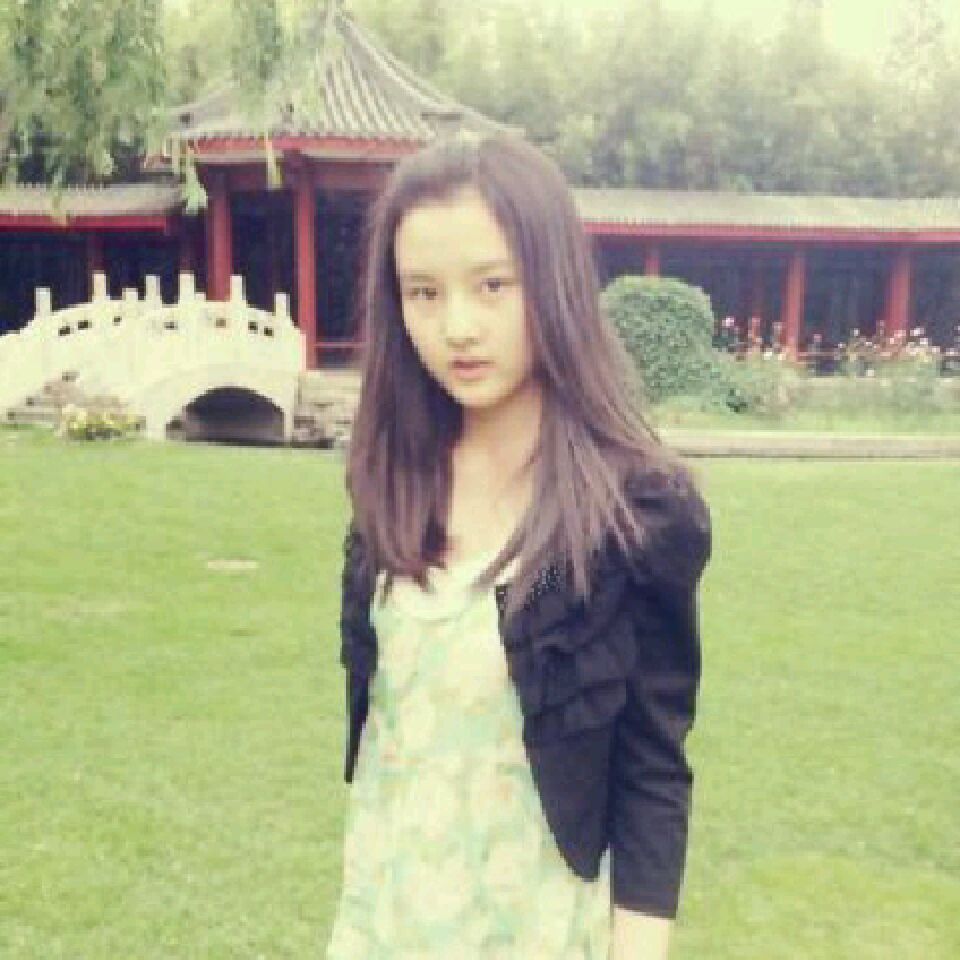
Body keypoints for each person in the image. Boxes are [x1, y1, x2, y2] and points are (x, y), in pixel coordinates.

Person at [327, 133, 712, 960]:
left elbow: (652, 767)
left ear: (554, 281)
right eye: (423, 293)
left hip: (537, 928)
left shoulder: (637, 509)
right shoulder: (392, 481)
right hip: (384, 921)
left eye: (492, 285)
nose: (457, 327)